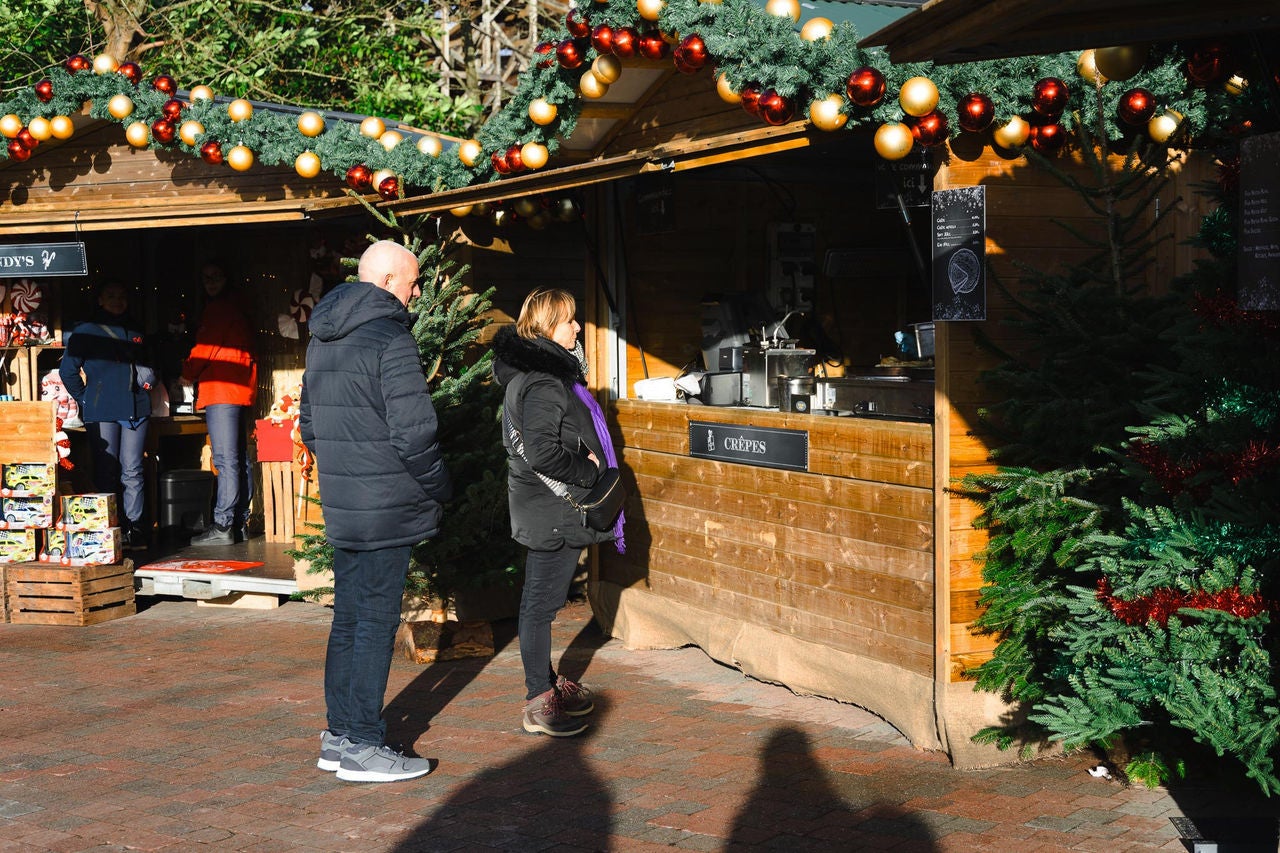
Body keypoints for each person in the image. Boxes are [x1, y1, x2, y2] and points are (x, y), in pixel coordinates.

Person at [300, 240, 451, 783]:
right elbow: (416, 432)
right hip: (389, 504)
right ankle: (363, 743)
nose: (417, 292)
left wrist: (345, 470)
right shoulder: (391, 337)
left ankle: (339, 736)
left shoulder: (322, 337)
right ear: (387, 280)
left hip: (345, 502)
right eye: (412, 282)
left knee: (349, 618)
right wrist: (439, 486)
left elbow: (310, 427)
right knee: (374, 623)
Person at [491, 288, 625, 737]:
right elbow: (544, 453)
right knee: (539, 606)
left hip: (542, 506)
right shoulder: (546, 381)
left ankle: (546, 683)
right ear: (548, 328)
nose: (577, 327)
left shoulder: (529, 373)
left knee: (538, 602)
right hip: (552, 508)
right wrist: (587, 472)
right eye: (569, 321)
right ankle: (537, 700)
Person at [59, 282, 157, 552]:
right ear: (100, 300)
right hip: (101, 410)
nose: (117, 300)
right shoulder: (85, 332)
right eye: (111, 295)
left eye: (122, 296)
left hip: (136, 407)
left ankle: (136, 529)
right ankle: (109, 528)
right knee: (106, 471)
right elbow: (68, 371)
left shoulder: (136, 328)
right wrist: (85, 398)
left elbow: (151, 363)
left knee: (133, 471)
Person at [182, 262, 257, 545]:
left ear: (227, 278)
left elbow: (204, 349)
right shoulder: (239, 306)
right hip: (237, 388)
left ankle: (224, 524)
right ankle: (239, 521)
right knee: (238, 458)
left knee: (226, 460)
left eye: (216, 276)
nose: (210, 281)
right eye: (206, 277)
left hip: (222, 389)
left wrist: (185, 373)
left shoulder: (218, 309)